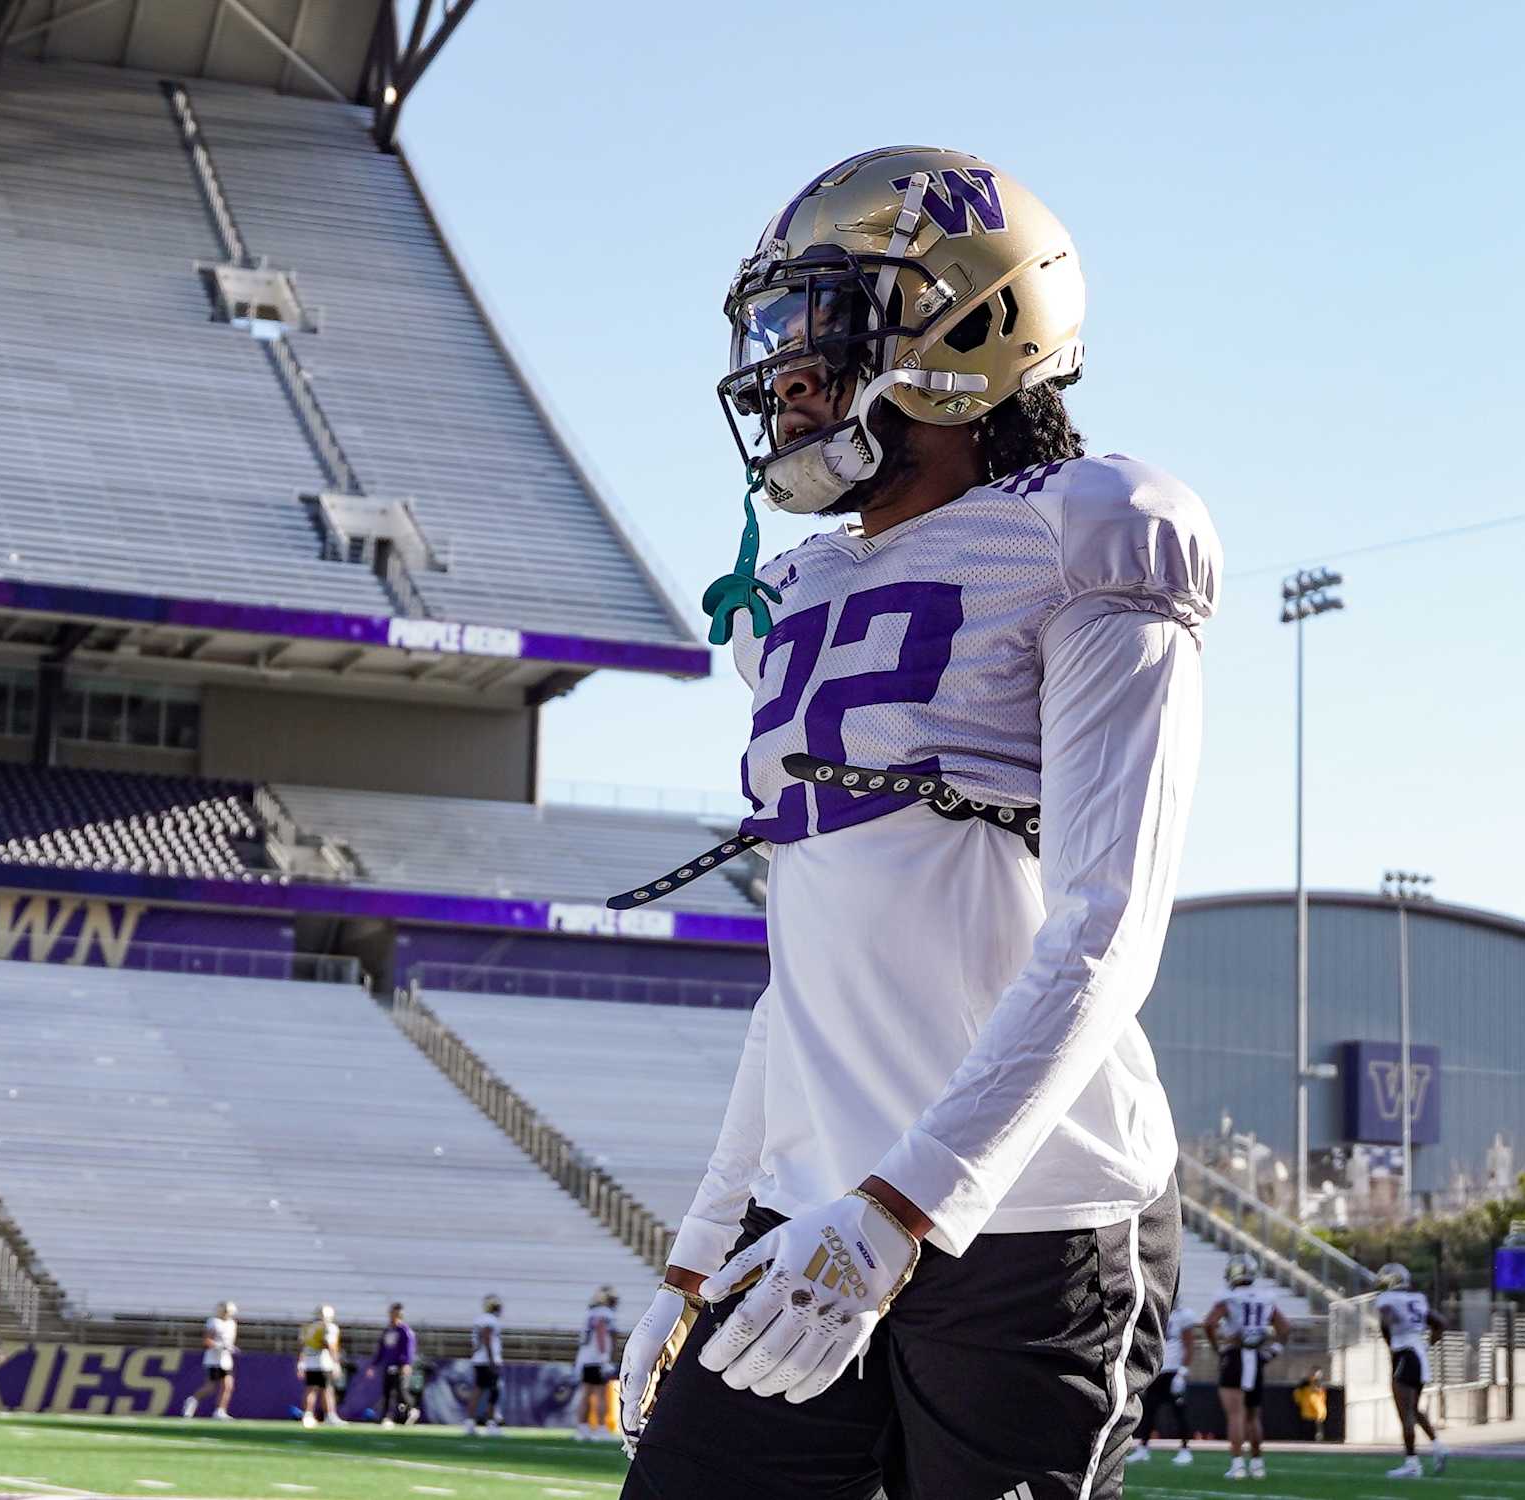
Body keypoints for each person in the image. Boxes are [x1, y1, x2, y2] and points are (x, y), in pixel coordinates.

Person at [614, 145, 1219, 1500]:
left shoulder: (1086, 530)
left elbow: (1109, 923)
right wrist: (701, 1249)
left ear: (967, 327)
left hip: (1033, 1217)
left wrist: (901, 1211)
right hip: (813, 1207)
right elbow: (807, 975)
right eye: (776, 334)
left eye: (821, 324)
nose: (787, 374)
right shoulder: (801, 591)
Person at [1206, 1253, 1289, 1481]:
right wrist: (1273, 1351)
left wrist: (1217, 1347)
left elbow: (1209, 1323)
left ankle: (1238, 1465)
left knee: (1235, 1415)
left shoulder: (1229, 1296)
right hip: (1256, 1355)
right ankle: (1258, 1465)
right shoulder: (1265, 1297)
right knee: (1253, 1416)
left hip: (1235, 1355)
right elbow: (1284, 1327)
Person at [1375, 1263, 1448, 1478]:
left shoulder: (1387, 1300)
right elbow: (1440, 1323)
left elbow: (1386, 1324)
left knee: (1405, 1412)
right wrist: (1427, 1345)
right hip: (1419, 1355)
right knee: (1413, 1409)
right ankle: (1438, 1447)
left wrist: (1391, 1343)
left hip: (1405, 1354)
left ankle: (1412, 1463)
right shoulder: (1417, 1299)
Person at [1127, 1291, 1200, 1466]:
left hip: (1174, 1371)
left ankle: (1185, 1450)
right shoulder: (1158, 1314)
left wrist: (1183, 1372)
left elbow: (1189, 1345)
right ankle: (1143, 1448)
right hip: (1158, 1370)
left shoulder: (1183, 1316)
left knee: (1179, 1412)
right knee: (1149, 1411)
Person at [575, 1287, 618, 1442]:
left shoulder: (590, 1313)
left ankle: (582, 1428)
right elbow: (601, 1332)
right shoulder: (604, 1313)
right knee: (600, 1395)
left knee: (585, 1394)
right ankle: (601, 1428)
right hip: (597, 1359)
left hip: (585, 1358)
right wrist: (604, 1357)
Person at [181, 1300, 238, 1419]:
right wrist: (219, 1346)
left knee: (228, 1386)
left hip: (225, 1359)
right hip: (213, 1359)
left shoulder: (232, 1323)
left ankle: (220, 1411)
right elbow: (206, 1341)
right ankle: (192, 1400)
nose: (227, 1313)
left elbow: (230, 1341)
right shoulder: (213, 1322)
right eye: (225, 1311)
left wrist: (230, 1347)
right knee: (210, 1387)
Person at [367, 1303, 418, 1427]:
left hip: (400, 1365)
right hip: (388, 1365)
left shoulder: (405, 1331)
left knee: (401, 1391)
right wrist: (373, 1365)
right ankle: (386, 1417)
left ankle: (412, 1409)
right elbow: (382, 1349)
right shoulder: (388, 1331)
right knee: (387, 1391)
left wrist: (406, 1364)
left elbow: (409, 1349)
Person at [297, 1304, 344, 1429]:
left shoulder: (307, 1327)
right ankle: (330, 1416)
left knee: (310, 1389)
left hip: (309, 1362)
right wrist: (336, 1363)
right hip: (324, 1362)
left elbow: (302, 1346)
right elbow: (331, 1345)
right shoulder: (329, 1327)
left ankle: (307, 1415)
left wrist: (300, 1363)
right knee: (327, 1390)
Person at [466, 1294, 503, 1437]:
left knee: (478, 1391)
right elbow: (486, 1338)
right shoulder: (490, 1320)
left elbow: (478, 1341)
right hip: (486, 1361)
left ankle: (470, 1424)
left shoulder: (480, 1319)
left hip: (479, 1360)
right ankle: (491, 1424)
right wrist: (491, 1359)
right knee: (494, 1392)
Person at [1294, 1366, 1328, 1441]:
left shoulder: (1320, 1384)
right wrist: (1298, 1400)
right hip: (1308, 1409)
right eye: (1316, 1373)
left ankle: (1318, 1436)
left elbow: (1322, 1396)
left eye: (1319, 1374)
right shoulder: (1305, 1383)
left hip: (1317, 1410)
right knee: (1307, 1426)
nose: (1317, 1376)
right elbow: (1297, 1392)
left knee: (1318, 1424)